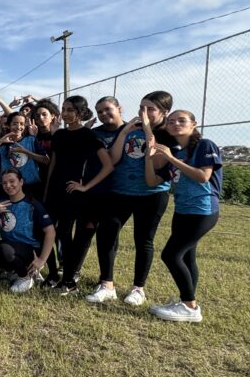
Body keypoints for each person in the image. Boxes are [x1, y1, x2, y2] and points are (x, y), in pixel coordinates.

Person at [87, 91, 177, 307]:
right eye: (141, 107)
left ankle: (138, 289)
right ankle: (107, 285)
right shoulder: (129, 129)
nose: (143, 113)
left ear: (164, 112)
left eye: (150, 109)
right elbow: (113, 159)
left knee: (143, 239)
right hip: (121, 192)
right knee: (106, 232)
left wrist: (147, 129)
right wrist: (125, 131)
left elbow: (157, 162)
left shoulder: (167, 133)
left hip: (152, 194)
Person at [147, 110, 223, 322]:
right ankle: (187, 301)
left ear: (193, 124)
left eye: (181, 120)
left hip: (202, 210)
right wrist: (150, 157)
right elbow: (153, 181)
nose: (175, 124)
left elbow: (203, 176)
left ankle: (190, 307)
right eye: (171, 121)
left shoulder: (205, 145)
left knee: (170, 255)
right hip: (182, 210)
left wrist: (170, 158)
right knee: (187, 256)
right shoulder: (176, 152)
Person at [45, 95, 113, 293]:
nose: (65, 114)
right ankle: (54, 275)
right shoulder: (59, 135)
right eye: (63, 109)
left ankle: (69, 281)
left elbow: (108, 166)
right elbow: (53, 164)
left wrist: (85, 186)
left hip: (73, 192)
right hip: (55, 191)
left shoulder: (89, 136)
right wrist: (47, 190)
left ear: (81, 113)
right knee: (49, 232)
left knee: (65, 234)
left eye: (70, 110)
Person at [0, 168, 56, 293]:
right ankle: (13, 271)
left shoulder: (33, 205)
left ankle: (25, 277)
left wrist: (41, 260)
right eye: (4, 183)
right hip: (11, 246)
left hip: (30, 250)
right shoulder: (2, 203)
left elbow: (50, 232)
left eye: (12, 181)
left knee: (4, 250)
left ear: (21, 182)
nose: (8, 185)